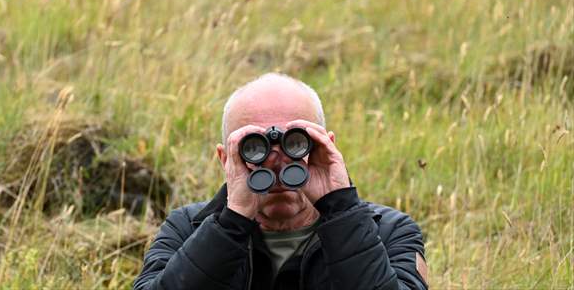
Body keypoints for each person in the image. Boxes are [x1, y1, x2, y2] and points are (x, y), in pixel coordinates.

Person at [134, 73, 428, 290]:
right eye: (254, 147)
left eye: (295, 142)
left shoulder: (389, 231)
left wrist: (340, 208)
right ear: (225, 159)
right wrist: (231, 224)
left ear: (326, 146)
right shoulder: (188, 228)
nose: (276, 159)